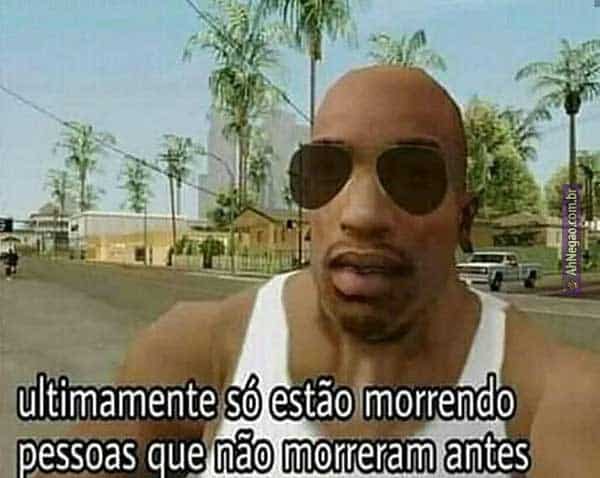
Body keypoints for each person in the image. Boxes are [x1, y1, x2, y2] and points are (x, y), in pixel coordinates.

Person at [42, 67, 600, 476]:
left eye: (412, 177)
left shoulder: (552, 395)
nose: (361, 215)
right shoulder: (199, 351)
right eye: (326, 172)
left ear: (464, 217)